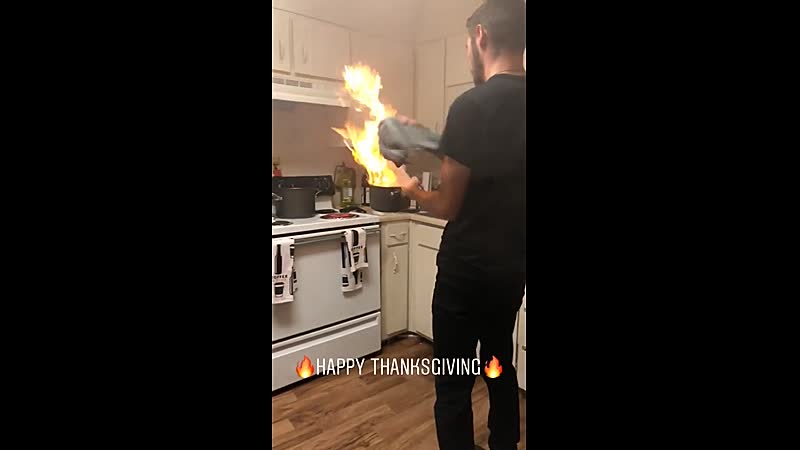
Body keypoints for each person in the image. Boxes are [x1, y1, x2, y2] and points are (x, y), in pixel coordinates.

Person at [390, 1, 526, 449]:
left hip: (464, 274)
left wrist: (410, 189)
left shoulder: (471, 105)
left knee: (453, 383)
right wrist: (427, 137)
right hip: (511, 270)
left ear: (480, 36)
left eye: (468, 44)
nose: (469, 53)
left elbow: (448, 204)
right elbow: (495, 159)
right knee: (499, 365)